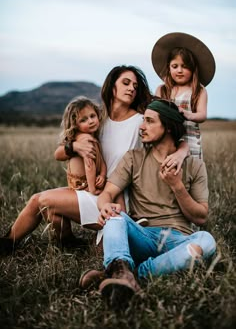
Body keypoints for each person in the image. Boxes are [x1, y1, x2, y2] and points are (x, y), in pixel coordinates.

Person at [0, 65, 188, 255]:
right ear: (112, 87)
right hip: (92, 190)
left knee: (41, 200)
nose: (132, 88)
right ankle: (17, 243)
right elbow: (59, 152)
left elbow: (176, 140)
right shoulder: (97, 120)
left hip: (118, 197)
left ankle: (13, 244)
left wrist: (181, 153)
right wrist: (74, 147)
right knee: (49, 211)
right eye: (125, 83)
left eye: (135, 86)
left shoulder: (140, 121)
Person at [79, 99, 216, 307]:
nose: (142, 127)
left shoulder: (195, 166)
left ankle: (132, 274)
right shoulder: (134, 158)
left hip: (177, 240)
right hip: (142, 235)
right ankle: (120, 268)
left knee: (206, 240)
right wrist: (105, 206)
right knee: (115, 217)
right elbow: (107, 193)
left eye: (150, 121)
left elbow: (201, 216)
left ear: (168, 127)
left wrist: (177, 186)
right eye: (144, 120)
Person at [152, 32, 216, 159]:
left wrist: (187, 114)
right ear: (168, 68)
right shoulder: (162, 90)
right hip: (167, 140)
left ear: (193, 69)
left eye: (185, 66)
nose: (179, 70)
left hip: (190, 140)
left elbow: (202, 115)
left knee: (189, 174)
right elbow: (155, 112)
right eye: (175, 66)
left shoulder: (198, 90)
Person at [61, 96, 107, 195]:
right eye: (83, 120)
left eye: (92, 116)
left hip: (85, 182)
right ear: (75, 124)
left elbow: (101, 161)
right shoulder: (85, 139)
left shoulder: (93, 138)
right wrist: (92, 189)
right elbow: (89, 165)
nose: (90, 121)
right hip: (83, 183)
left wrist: (102, 175)